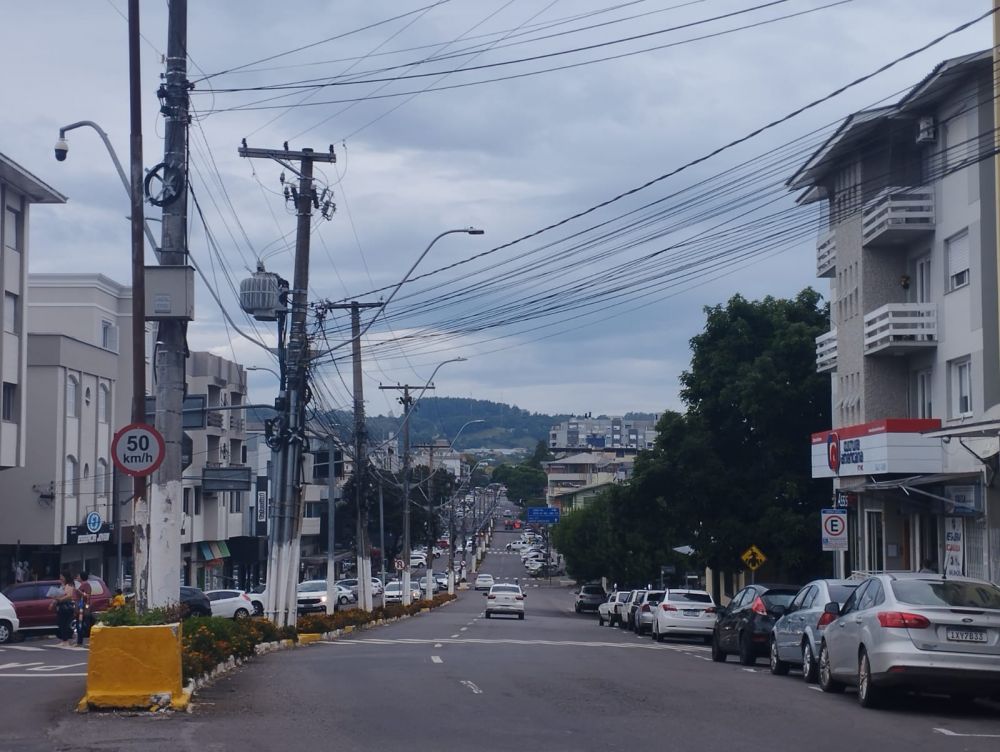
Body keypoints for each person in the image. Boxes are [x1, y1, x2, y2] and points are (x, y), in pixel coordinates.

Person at [49, 571, 76, 646]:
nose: (61, 578)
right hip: (60, 606)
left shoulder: (69, 585)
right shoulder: (62, 585)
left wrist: (60, 599)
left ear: (66, 577)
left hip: (67, 606)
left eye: (62, 577)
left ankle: (68, 640)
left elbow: (69, 595)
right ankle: (64, 640)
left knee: (66, 624)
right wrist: (53, 603)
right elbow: (58, 594)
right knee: (61, 623)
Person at [75, 571, 93, 646]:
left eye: (78, 576)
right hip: (81, 608)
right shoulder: (83, 584)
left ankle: (81, 641)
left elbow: (87, 596)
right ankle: (79, 641)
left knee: (82, 624)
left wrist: (79, 591)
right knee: (80, 624)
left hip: (84, 608)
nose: (77, 577)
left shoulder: (86, 584)